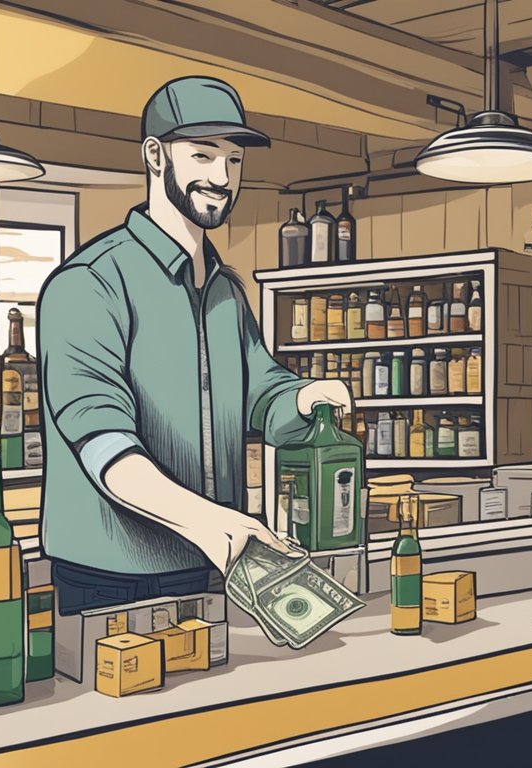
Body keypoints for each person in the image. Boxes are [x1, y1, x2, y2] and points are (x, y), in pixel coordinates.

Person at [37, 77, 351, 616]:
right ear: (155, 156)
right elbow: (103, 444)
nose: (221, 177)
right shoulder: (88, 283)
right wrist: (212, 522)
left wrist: (302, 398)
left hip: (210, 562)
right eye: (203, 155)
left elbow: (261, 391)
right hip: (110, 577)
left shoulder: (226, 290)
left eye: (233, 160)